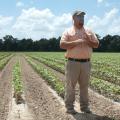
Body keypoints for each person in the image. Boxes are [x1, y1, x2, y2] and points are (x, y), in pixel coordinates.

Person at [60, 10, 99, 114]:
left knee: (84, 86)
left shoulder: (89, 31)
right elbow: (62, 45)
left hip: (86, 63)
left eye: (83, 17)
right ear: (73, 19)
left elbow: (96, 44)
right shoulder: (68, 31)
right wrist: (75, 42)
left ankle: (84, 107)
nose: (81, 19)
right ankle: (69, 107)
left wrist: (88, 41)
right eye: (79, 17)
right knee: (70, 86)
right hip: (72, 62)